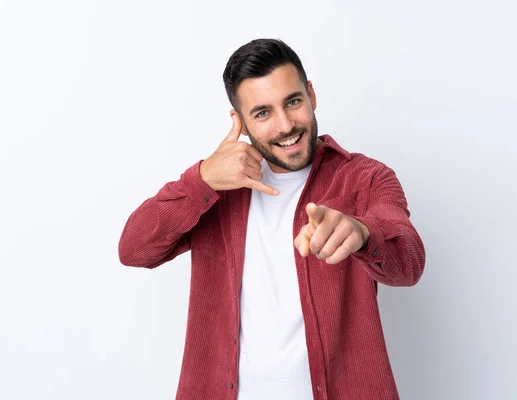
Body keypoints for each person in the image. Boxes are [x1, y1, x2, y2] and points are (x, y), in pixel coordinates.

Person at [118, 38, 426, 400]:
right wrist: (201, 179)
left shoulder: (366, 178)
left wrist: (362, 232)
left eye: (293, 102)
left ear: (311, 94)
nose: (285, 126)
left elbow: (408, 263)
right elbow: (135, 250)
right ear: (241, 121)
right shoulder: (216, 188)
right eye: (262, 113)